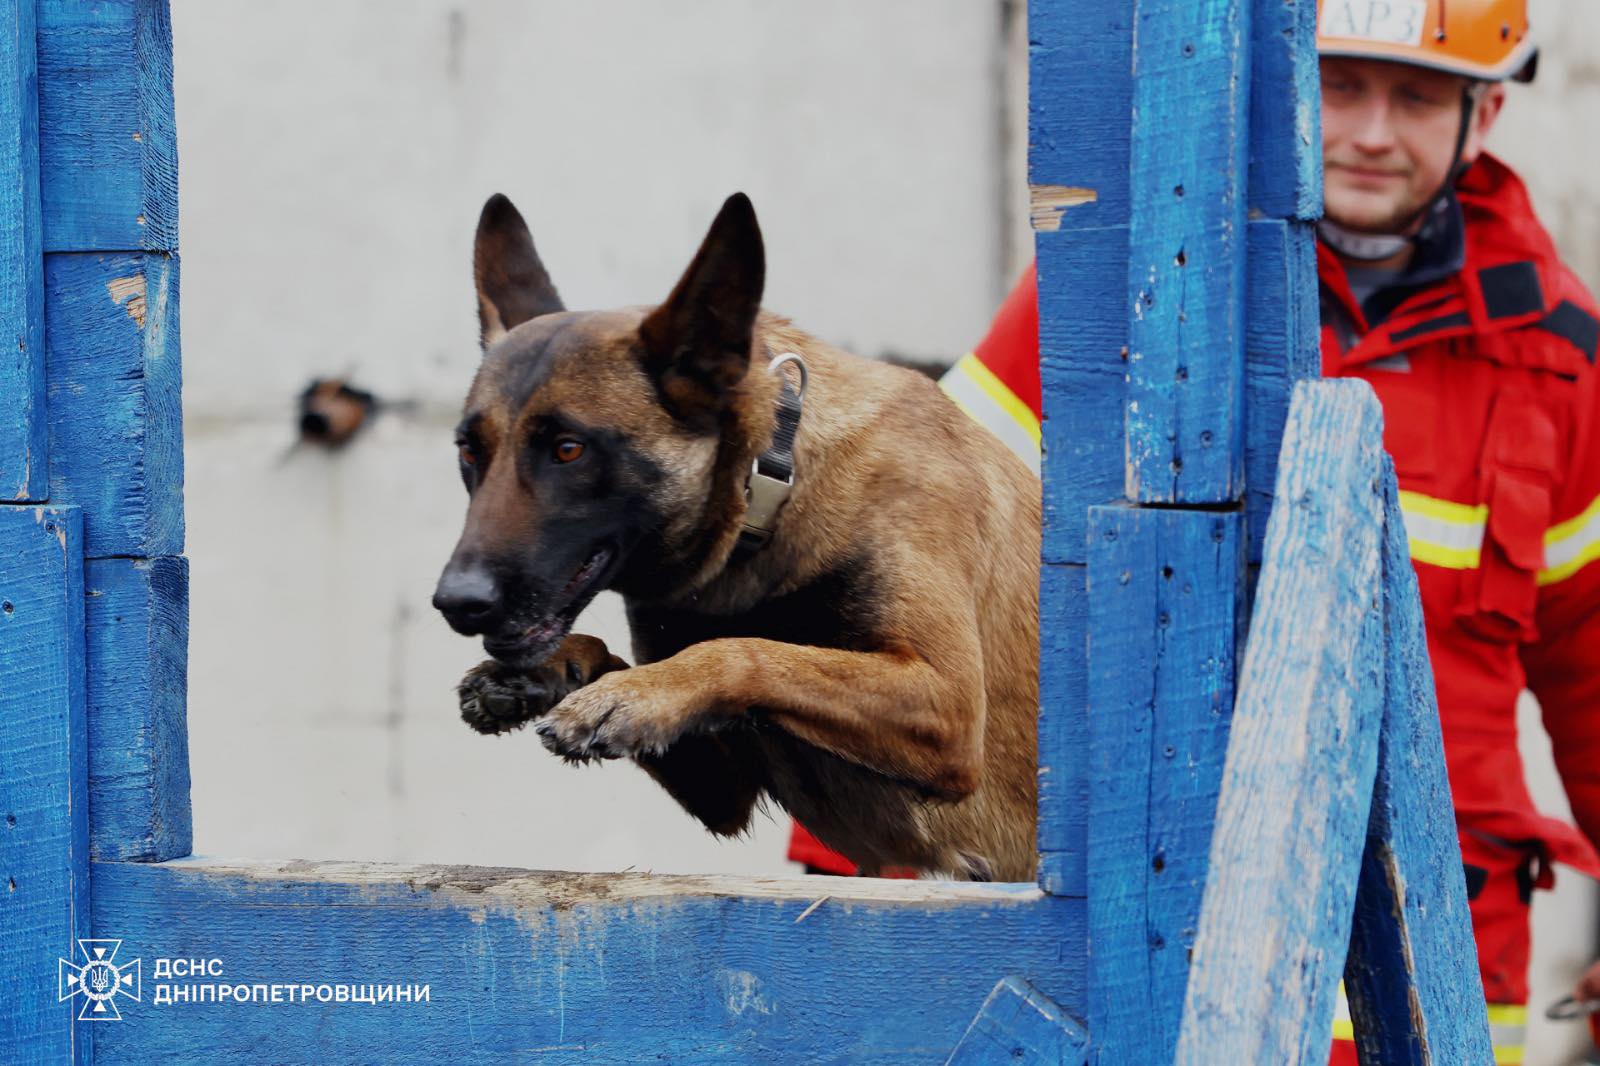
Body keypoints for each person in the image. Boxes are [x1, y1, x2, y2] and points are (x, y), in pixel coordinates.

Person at [797, 2, 1600, 1060]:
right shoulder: (1126, 281)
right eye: (1342, 86)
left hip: (1439, 987)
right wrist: (844, 867)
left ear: (1482, 115)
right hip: (1161, 944)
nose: (1370, 132)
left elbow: (1590, 668)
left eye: (1414, 97)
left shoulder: (1559, 360)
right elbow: (910, 539)